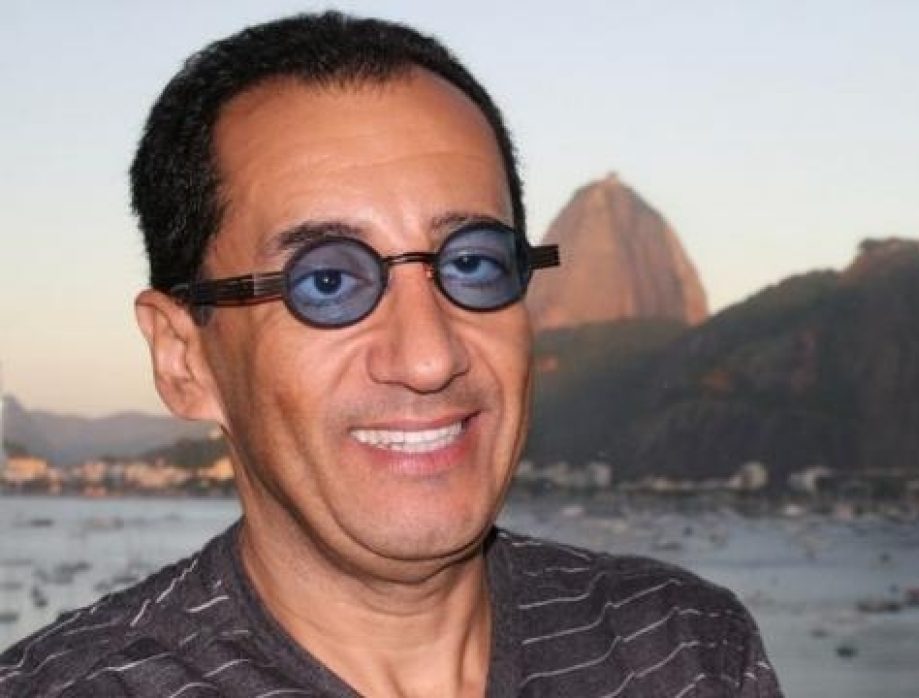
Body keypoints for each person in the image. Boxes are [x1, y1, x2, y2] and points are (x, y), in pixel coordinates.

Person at [0, 12, 781, 697]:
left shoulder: (682, 649)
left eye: (472, 262)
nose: (429, 356)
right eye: (327, 280)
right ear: (184, 358)